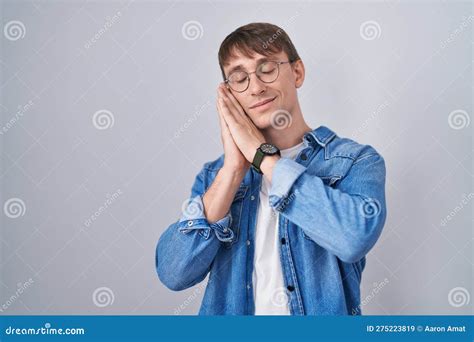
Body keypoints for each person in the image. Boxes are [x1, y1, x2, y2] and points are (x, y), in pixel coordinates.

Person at [155, 22, 387, 315]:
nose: (255, 87)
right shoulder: (215, 175)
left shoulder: (355, 161)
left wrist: (262, 157)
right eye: (239, 78)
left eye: (266, 69)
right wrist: (233, 170)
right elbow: (174, 273)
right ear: (229, 94)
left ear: (297, 72)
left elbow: (353, 239)